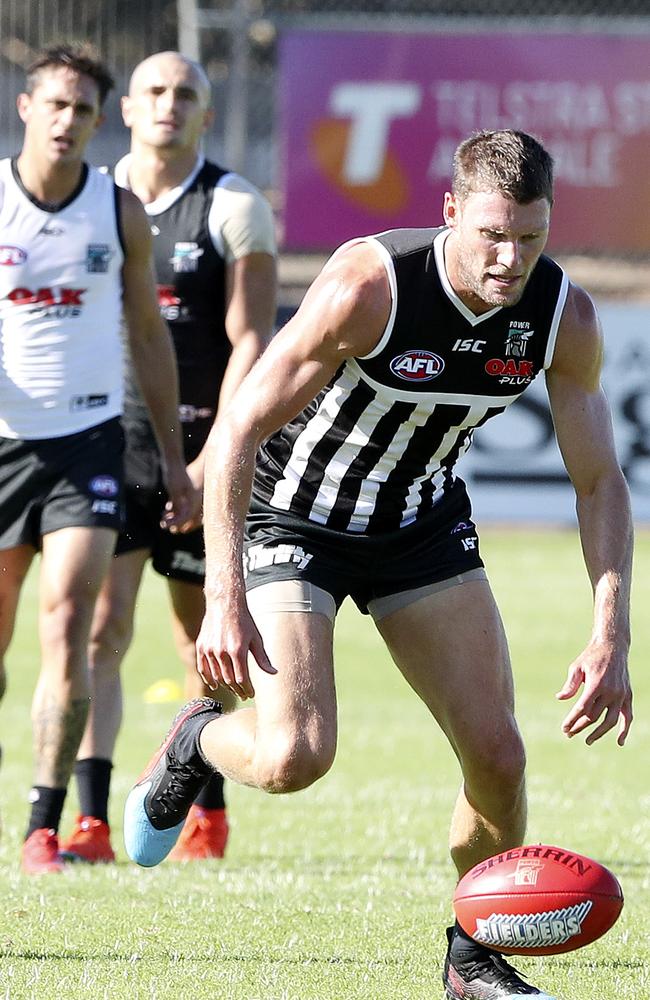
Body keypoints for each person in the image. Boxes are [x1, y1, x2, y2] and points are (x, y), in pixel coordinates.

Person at [124, 130, 633, 998]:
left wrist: (611, 632)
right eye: (492, 235)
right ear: (450, 215)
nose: (511, 259)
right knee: (293, 756)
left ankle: (473, 960)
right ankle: (197, 738)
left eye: (532, 237)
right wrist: (222, 592)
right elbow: (241, 425)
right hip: (297, 515)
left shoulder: (561, 316)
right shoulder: (371, 286)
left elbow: (598, 482)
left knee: (500, 758)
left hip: (418, 525)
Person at [59, 51, 277, 865]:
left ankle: (204, 809)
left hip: (200, 449)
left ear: (207, 115)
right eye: (152, 90)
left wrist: (216, 456)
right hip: (105, 451)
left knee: (201, 638)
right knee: (98, 629)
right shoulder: (90, 197)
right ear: (127, 109)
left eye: (186, 94)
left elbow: (250, 341)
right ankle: (88, 821)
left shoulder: (234, 205)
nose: (168, 105)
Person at [0, 44, 193, 874]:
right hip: (4, 443)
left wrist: (178, 461)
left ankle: (46, 824)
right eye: (56, 105)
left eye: (82, 110)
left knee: (70, 624)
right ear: (26, 108)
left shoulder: (115, 213)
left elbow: (149, 334)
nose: (68, 121)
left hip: (88, 445)